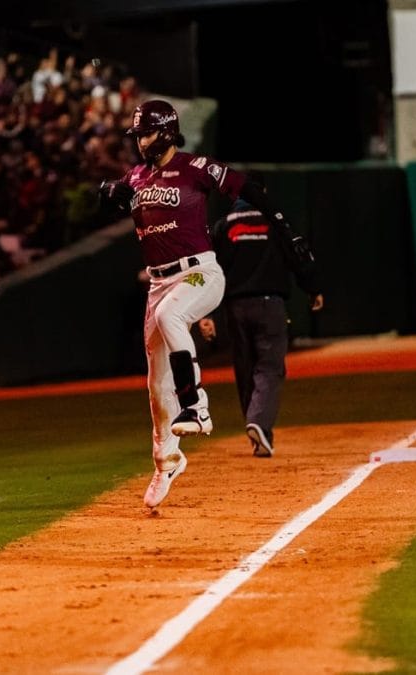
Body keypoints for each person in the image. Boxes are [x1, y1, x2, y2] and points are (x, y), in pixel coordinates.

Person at [98, 99, 311, 510]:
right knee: (156, 388)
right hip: (159, 281)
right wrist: (108, 193)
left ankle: (197, 404)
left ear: (166, 131)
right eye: (138, 134)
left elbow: (251, 188)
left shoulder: (196, 167)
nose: (140, 141)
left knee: (170, 315)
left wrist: (286, 228)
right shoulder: (139, 176)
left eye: (146, 133)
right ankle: (166, 461)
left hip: (199, 272)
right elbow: (118, 199)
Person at [201, 172, 322, 458]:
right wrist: (312, 288)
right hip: (270, 305)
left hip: (234, 308)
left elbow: (208, 271)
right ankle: (258, 422)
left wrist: (206, 313)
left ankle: (260, 437)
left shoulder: (222, 226)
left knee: (245, 371)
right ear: (263, 191)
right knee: (269, 367)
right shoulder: (275, 221)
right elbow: (298, 256)